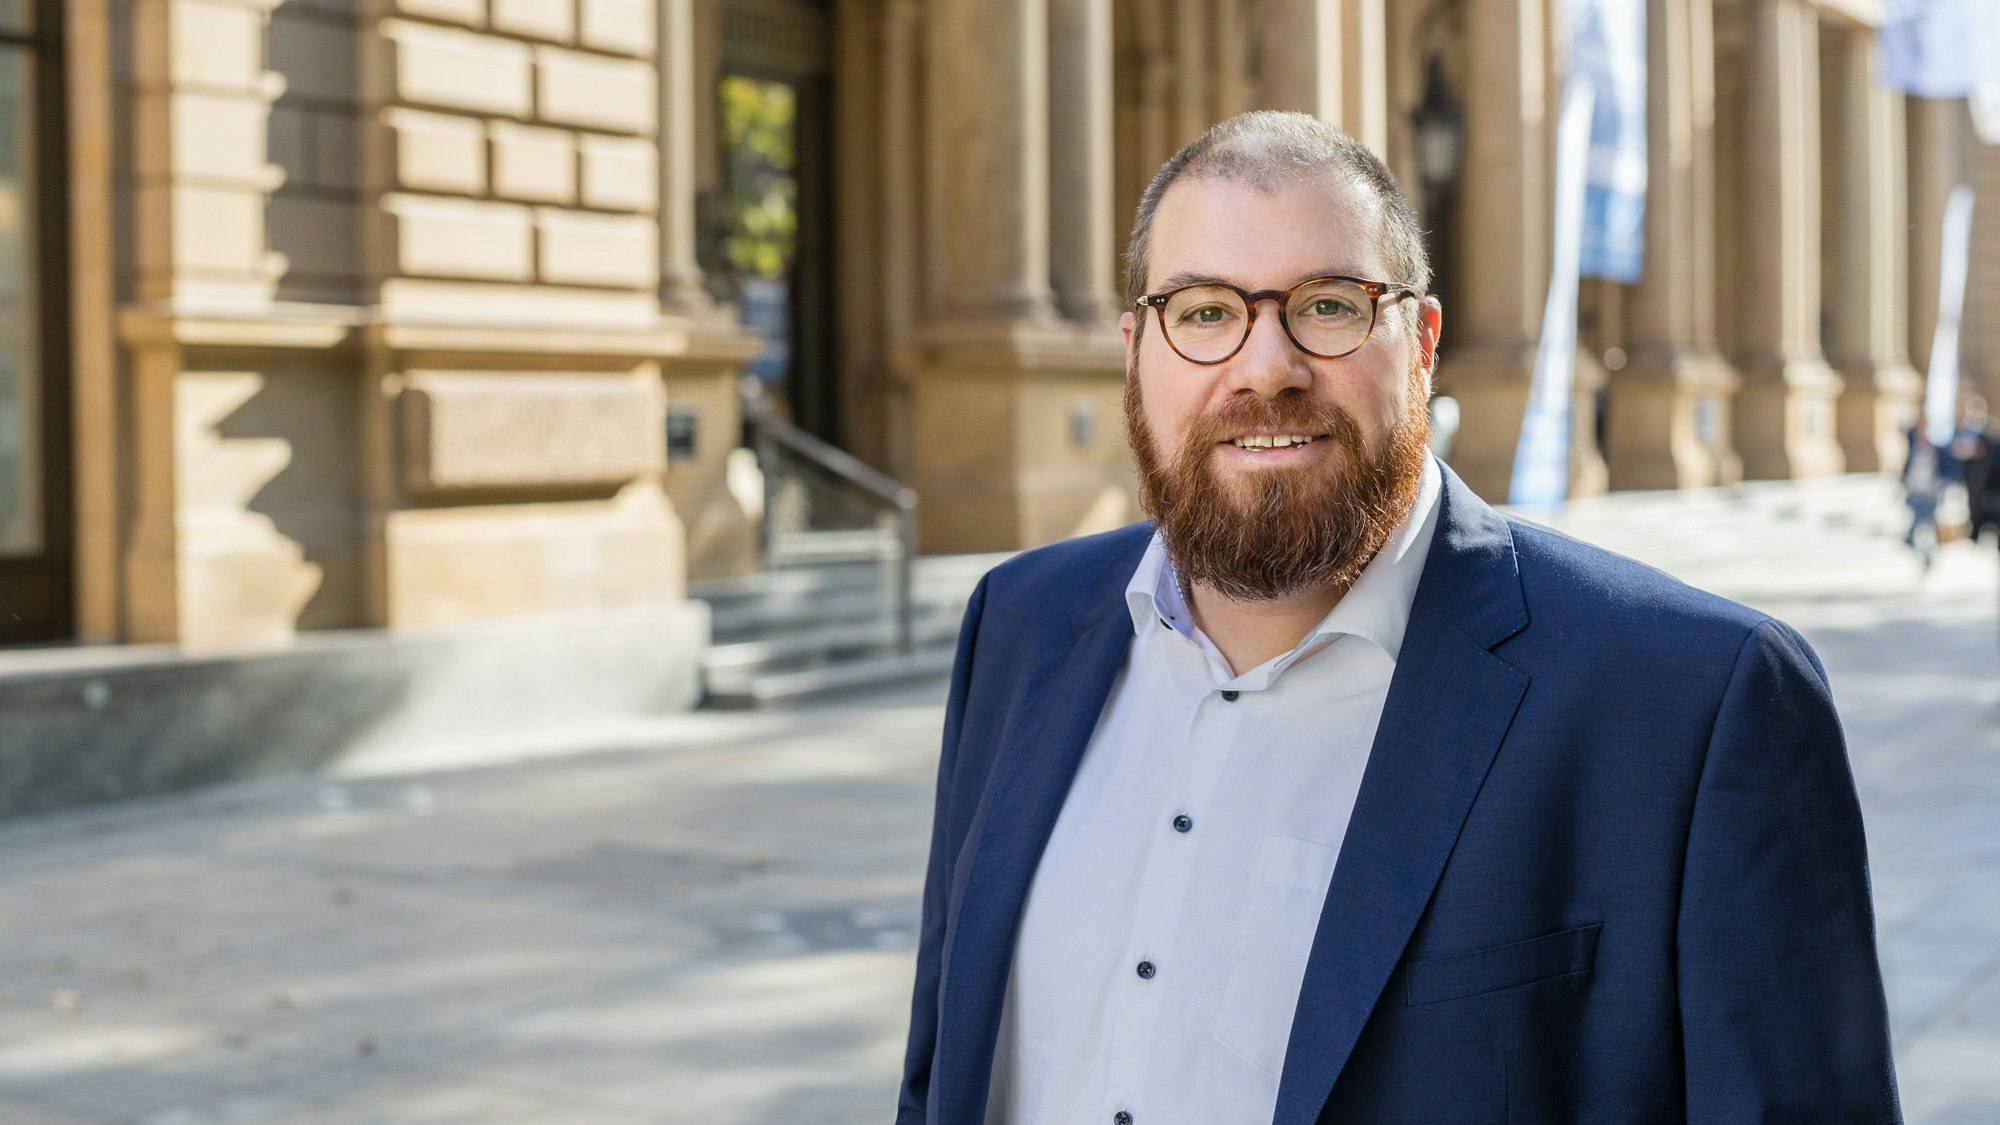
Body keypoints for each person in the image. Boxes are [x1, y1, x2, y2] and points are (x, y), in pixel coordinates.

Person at [897, 112, 1899, 1124]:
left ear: (1419, 342)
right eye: (1202, 313)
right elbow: (942, 1068)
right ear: (1134, 354)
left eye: (1327, 306)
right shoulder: (1018, 629)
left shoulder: (1693, 703)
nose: (1263, 367)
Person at [1904, 415, 1944, 571]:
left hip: (1931, 493)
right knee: (1916, 526)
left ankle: (1928, 558)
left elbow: (1945, 471)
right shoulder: (1914, 448)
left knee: (1928, 527)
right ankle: (1921, 555)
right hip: (1916, 493)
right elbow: (1908, 472)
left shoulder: (1937, 450)